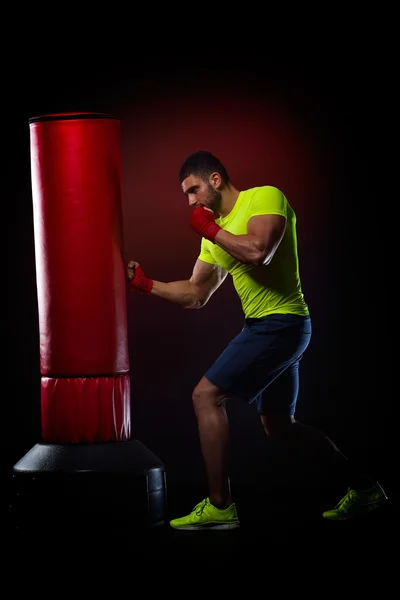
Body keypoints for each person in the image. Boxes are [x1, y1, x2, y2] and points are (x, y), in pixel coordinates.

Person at [126, 150, 388, 530]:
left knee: (205, 396)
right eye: (186, 195)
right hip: (263, 327)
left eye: (193, 190)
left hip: (282, 323)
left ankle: (220, 505)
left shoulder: (264, 197)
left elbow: (258, 251)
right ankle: (365, 489)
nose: (190, 202)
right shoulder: (214, 234)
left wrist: (211, 230)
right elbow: (196, 294)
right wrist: (146, 285)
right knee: (279, 427)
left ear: (215, 180)